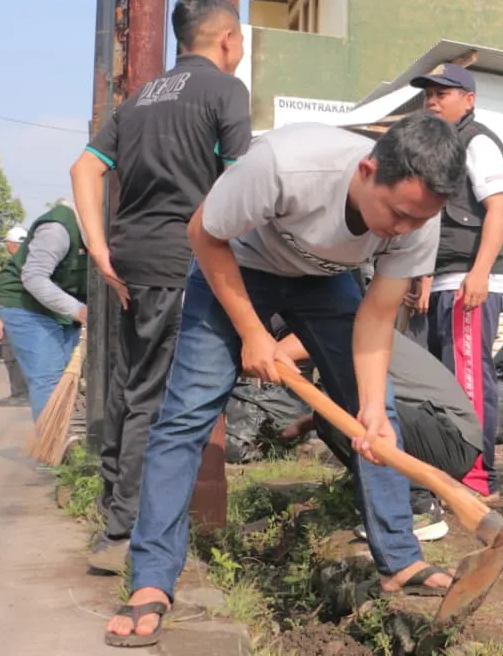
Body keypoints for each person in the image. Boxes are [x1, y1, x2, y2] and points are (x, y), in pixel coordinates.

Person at [103, 114, 463, 648]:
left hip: (325, 282)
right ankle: (152, 576)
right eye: (397, 214)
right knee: (185, 417)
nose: (404, 229)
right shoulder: (286, 164)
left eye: (418, 219)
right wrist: (251, 333)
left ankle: (400, 559)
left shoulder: (419, 217)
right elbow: (202, 232)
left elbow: (376, 315)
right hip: (236, 266)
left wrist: (367, 406)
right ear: (367, 171)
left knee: (379, 413)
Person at [70, 0, 252, 575]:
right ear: (227, 39)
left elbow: (85, 167)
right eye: (241, 39)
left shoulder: (140, 97)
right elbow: (240, 184)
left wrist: (100, 250)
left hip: (131, 260)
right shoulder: (226, 91)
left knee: (132, 390)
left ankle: (115, 516)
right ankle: (126, 532)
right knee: (162, 400)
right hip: (184, 263)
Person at [274, 314, 484, 542]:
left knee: (340, 416)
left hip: (450, 439)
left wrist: (253, 345)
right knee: (334, 415)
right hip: (443, 437)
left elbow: (272, 355)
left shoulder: (344, 328)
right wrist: (302, 425)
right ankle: (390, 491)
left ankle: (418, 508)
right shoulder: (352, 330)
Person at [404, 63, 503, 500]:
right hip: (442, 278)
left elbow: (498, 208)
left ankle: (476, 476)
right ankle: (444, 469)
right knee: (438, 383)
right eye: (429, 93)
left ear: (468, 99)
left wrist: (480, 273)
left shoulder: (477, 141)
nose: (432, 99)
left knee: (468, 382)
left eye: (443, 93)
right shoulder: (439, 147)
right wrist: (423, 276)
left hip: (470, 278)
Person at [0, 201, 87, 422]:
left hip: (65, 305)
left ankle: (65, 442)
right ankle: (51, 450)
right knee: (49, 378)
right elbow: (34, 278)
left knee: (66, 377)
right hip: (26, 302)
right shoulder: (58, 228)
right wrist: (82, 312)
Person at [0, 225, 31, 408]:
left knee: (12, 355)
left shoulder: (15, 265)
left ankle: (20, 394)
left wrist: (1, 319)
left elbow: (10, 295)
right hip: (23, 317)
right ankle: (22, 392)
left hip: (15, 317)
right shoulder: (29, 261)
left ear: (13, 244)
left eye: (7, 243)